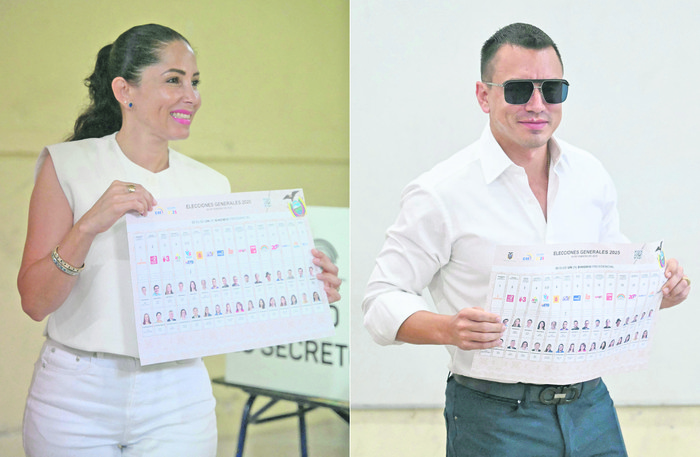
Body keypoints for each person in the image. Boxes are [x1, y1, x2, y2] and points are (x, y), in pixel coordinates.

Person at [362, 22, 690, 457]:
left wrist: (657, 291)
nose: (538, 104)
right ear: (484, 95)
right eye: (519, 90)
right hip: (495, 415)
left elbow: (612, 278)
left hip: (590, 406)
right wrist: (449, 329)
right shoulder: (441, 192)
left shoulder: (590, 176)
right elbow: (380, 298)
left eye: (552, 89)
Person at [17, 23, 342, 457]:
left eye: (195, 82)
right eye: (173, 80)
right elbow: (35, 301)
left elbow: (228, 304)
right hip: (76, 396)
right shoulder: (68, 164)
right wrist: (87, 226)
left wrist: (302, 289)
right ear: (123, 90)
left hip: (178, 397)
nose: (191, 95)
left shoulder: (210, 184)